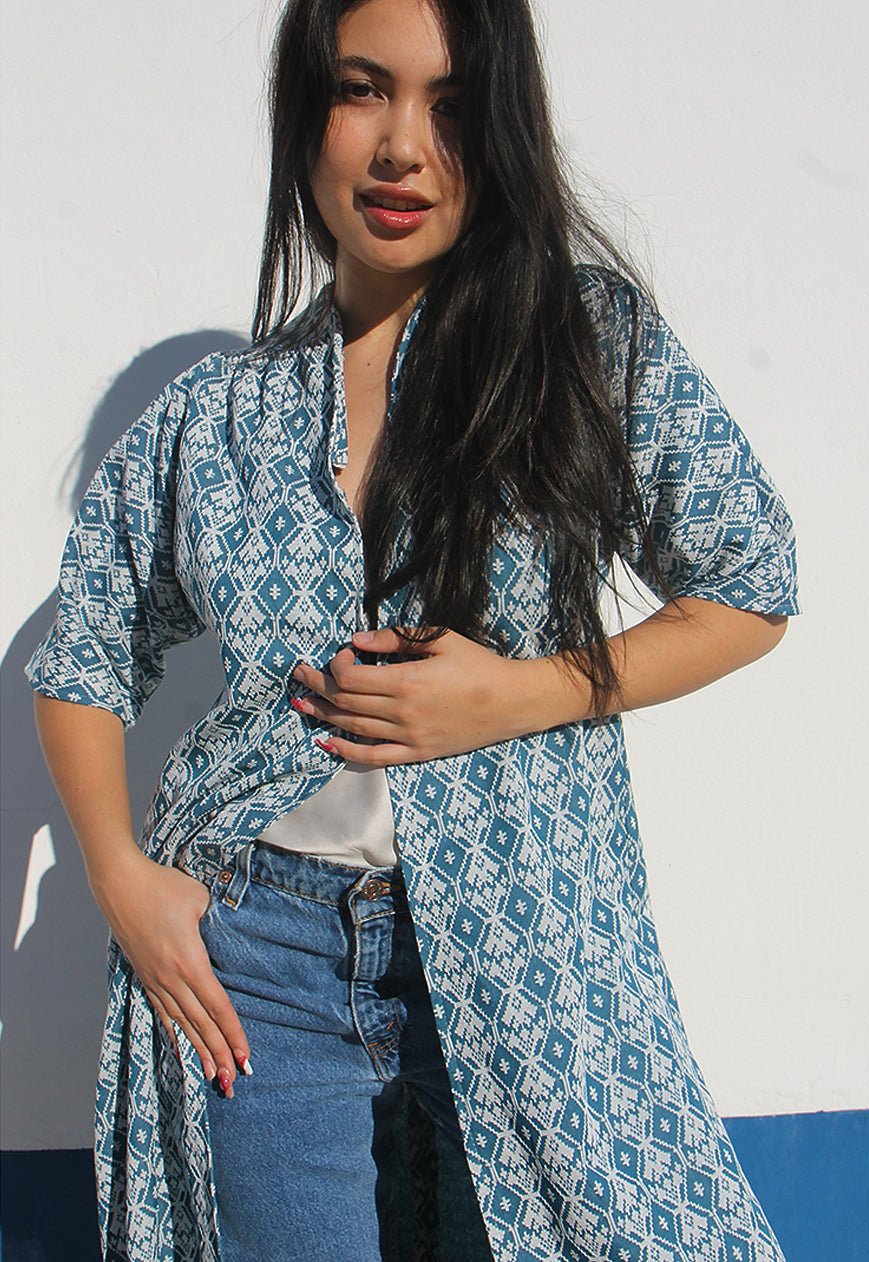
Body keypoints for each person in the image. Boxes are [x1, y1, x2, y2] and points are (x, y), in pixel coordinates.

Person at [28, 0, 799, 1258]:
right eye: (361, 89)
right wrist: (120, 877)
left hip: (524, 928)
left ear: (501, 128)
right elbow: (84, 653)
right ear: (306, 115)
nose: (400, 146)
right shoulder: (215, 417)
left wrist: (525, 691)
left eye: (448, 105)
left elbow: (749, 582)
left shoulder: (582, 348)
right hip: (258, 954)